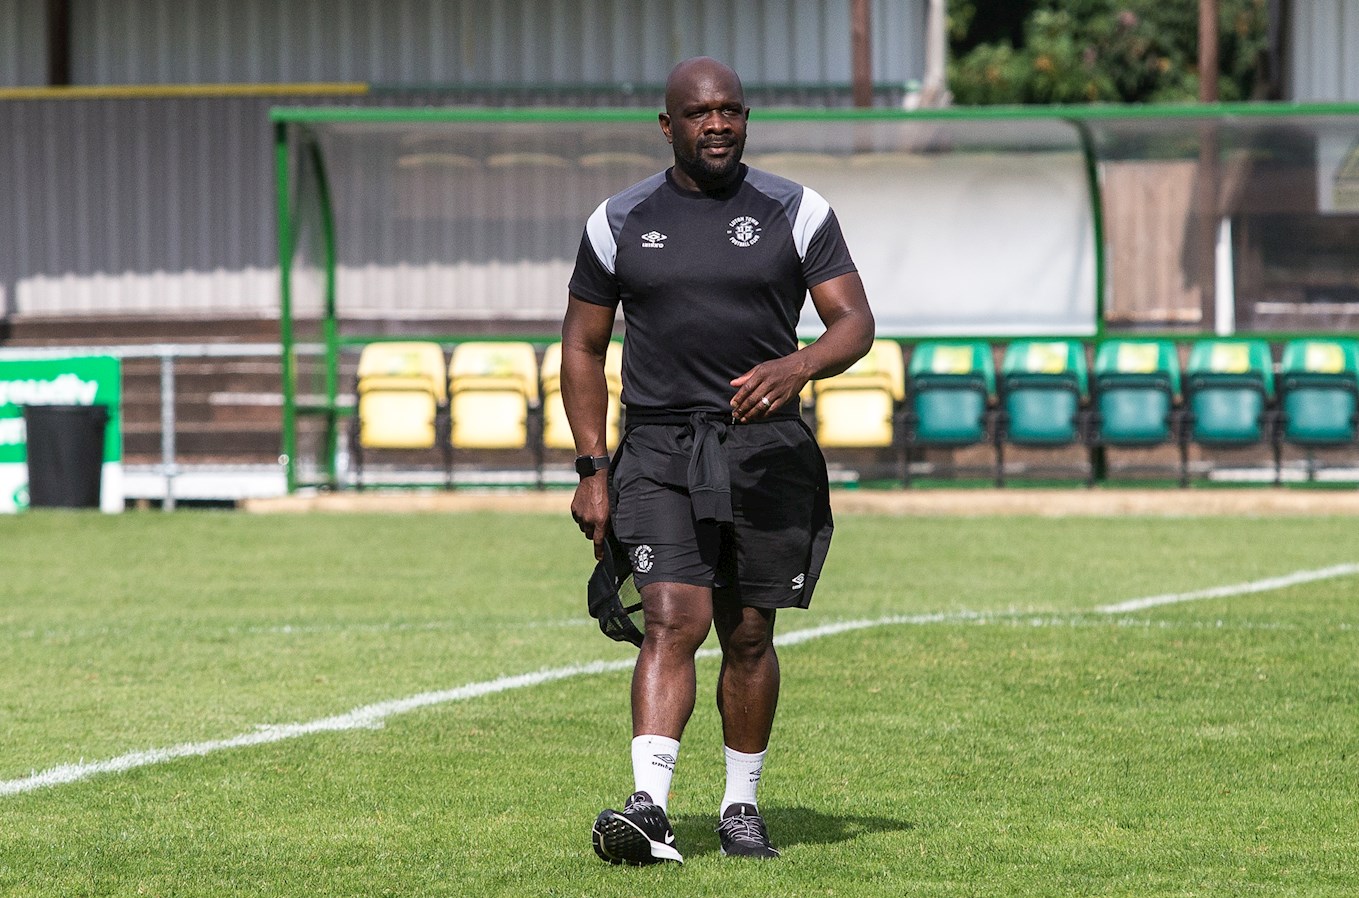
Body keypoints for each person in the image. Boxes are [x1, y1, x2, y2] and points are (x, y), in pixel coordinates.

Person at [561, 56, 874, 865]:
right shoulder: (617, 221)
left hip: (765, 453)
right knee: (674, 617)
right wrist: (592, 467)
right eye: (700, 113)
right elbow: (582, 344)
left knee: (746, 632)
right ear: (667, 126)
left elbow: (853, 322)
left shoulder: (798, 210)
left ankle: (740, 806)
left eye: (731, 111)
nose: (718, 125)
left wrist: (797, 366)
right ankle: (650, 808)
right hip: (660, 447)